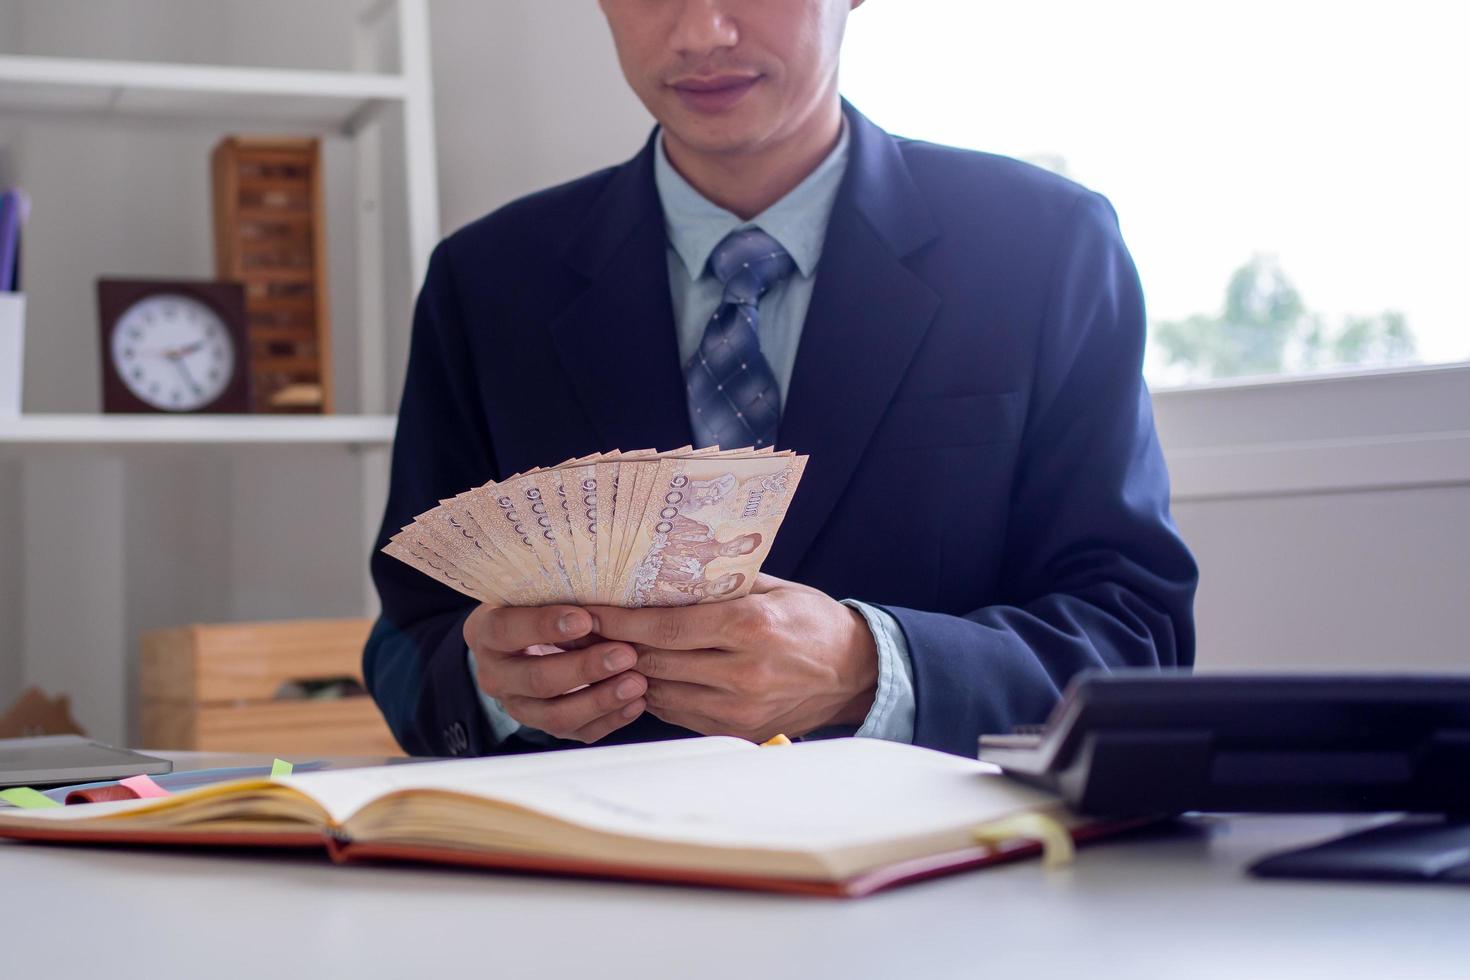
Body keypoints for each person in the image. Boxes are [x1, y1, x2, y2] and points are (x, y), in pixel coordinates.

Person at [365, 0, 1198, 758]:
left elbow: (1136, 635)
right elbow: (406, 639)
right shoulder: (487, 281)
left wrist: (871, 669)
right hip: (596, 879)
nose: (701, 34)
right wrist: (494, 683)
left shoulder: (1044, 246)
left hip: (935, 879)